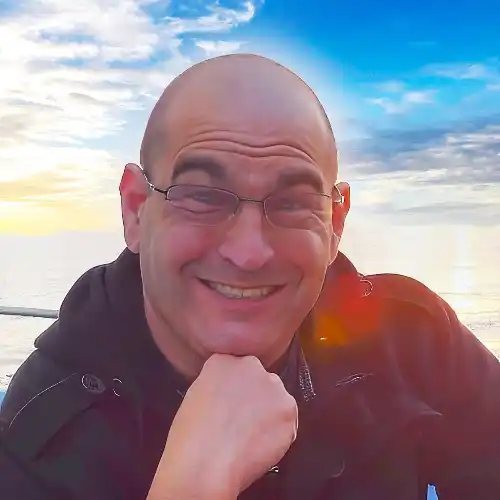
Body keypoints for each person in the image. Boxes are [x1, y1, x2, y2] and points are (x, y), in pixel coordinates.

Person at [1, 54, 499, 500]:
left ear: (334, 222)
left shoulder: (410, 337)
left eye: (293, 202)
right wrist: (194, 484)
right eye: (201, 196)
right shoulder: (39, 437)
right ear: (135, 210)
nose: (249, 253)